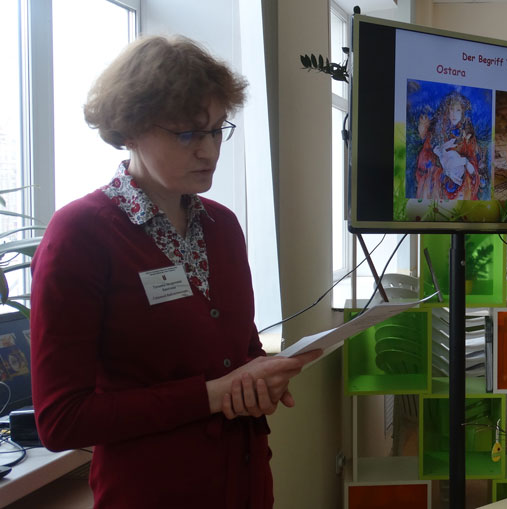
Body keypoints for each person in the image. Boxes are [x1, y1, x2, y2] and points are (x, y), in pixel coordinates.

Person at [30, 35, 320, 508]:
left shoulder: (223, 226)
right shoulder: (80, 234)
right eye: (187, 134)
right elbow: (62, 419)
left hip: (245, 485)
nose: (209, 151)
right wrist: (211, 396)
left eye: (216, 131)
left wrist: (261, 379)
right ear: (130, 130)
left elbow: (239, 351)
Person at [415, 91, 480, 201]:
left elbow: (473, 161)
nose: (454, 114)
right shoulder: (437, 133)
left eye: (458, 110)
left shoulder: (467, 135)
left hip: (461, 180)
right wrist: (443, 171)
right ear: (447, 110)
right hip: (439, 181)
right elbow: (425, 158)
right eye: (451, 109)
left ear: (463, 112)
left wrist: (465, 165)